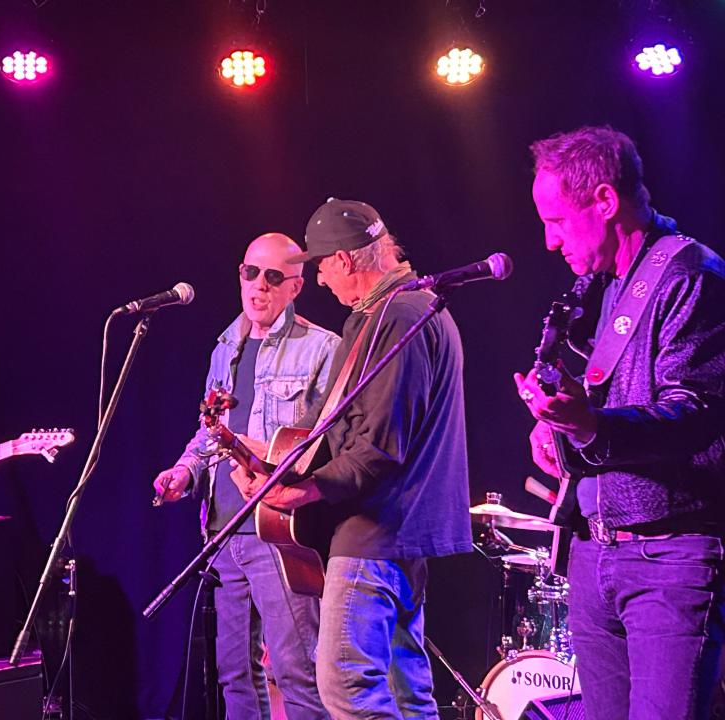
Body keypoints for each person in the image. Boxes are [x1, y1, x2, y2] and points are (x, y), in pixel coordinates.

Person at [513, 125, 725, 720]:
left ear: (605, 202)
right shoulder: (609, 290)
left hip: (669, 558)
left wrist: (590, 426)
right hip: (594, 553)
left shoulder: (690, 275)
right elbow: (606, 411)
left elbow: (695, 416)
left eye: (556, 221)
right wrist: (559, 427)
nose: (550, 243)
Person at [232, 199, 472, 720]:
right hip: (400, 537)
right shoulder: (410, 309)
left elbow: (378, 448)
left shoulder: (398, 315)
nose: (319, 280)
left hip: (374, 535)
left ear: (343, 260)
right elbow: (345, 428)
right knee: (406, 694)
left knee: (344, 682)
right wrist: (268, 459)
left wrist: (304, 490)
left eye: (320, 265)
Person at [153, 232, 339, 720]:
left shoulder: (321, 349)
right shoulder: (225, 346)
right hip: (223, 531)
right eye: (250, 273)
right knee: (235, 674)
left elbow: (331, 445)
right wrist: (185, 470)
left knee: (298, 673)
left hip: (276, 532)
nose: (259, 286)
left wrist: (279, 468)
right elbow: (210, 430)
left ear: (295, 287)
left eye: (274, 277)